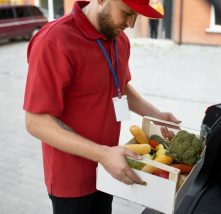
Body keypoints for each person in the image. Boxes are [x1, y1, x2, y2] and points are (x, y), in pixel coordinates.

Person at [23, 0, 180, 214]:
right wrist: (103, 154)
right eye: (127, 13)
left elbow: (120, 85)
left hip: (110, 168)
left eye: (137, 16)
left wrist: (155, 114)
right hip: (72, 180)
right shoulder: (54, 40)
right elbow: (35, 122)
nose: (131, 24)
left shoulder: (119, 38)